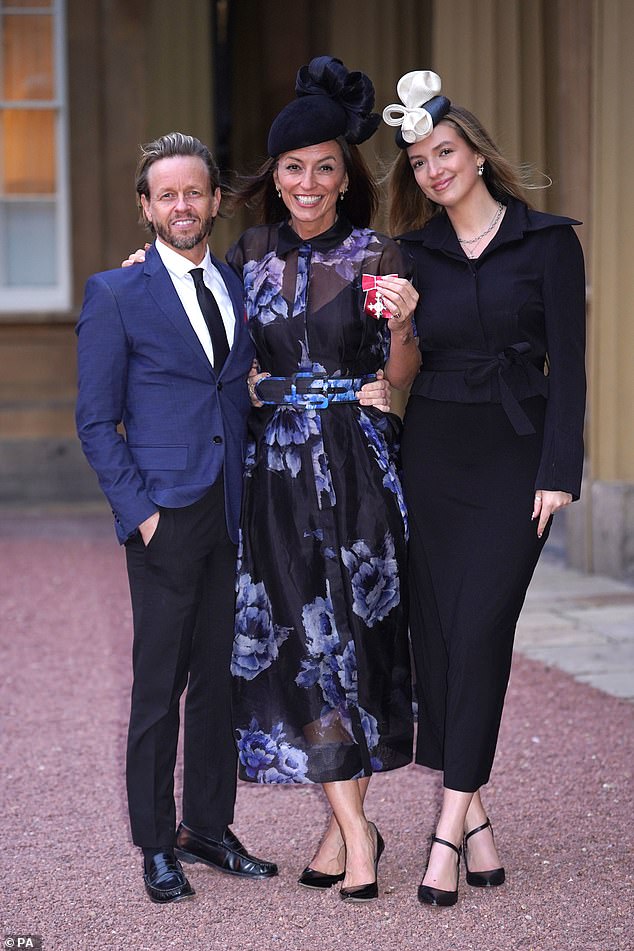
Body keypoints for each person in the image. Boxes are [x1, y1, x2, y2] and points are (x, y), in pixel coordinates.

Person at [382, 71, 586, 906]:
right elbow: (396, 369)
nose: (435, 170)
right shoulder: (411, 251)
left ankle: (444, 831)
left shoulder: (548, 243)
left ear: (474, 153)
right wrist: (395, 326)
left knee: (484, 629)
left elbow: (569, 369)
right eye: (421, 161)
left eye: (446, 152)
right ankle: (479, 822)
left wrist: (558, 472)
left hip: (514, 456)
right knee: (438, 639)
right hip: (431, 451)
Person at [227, 56, 420, 902]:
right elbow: (219, 351)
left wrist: (405, 328)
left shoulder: (379, 251)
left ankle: (352, 832)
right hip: (277, 471)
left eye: (324, 168)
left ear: (347, 177)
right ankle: (356, 830)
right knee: (306, 645)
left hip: (357, 465)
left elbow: (403, 368)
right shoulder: (248, 254)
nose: (308, 183)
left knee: (358, 643)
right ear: (276, 177)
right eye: (293, 168)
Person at [75, 132, 278, 904]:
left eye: (195, 192)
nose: (182, 205)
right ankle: (156, 842)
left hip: (231, 505)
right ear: (146, 205)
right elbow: (96, 421)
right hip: (165, 514)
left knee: (219, 678)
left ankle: (207, 827)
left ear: (215, 201)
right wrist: (141, 515)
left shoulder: (234, 283)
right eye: (167, 194)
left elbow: (240, 384)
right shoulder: (116, 293)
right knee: (158, 685)